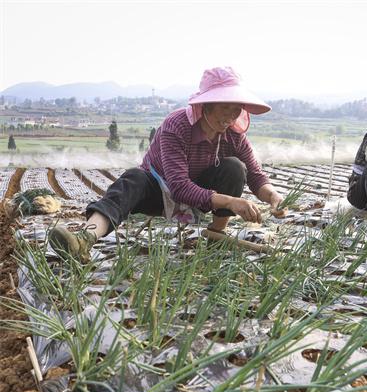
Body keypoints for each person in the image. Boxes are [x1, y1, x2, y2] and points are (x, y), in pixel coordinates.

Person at [50, 67, 283, 262]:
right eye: (225, 107)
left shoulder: (233, 136)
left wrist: (273, 196)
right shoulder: (178, 126)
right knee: (133, 179)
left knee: (234, 167)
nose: (231, 116)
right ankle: (84, 239)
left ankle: (216, 234)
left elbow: (255, 175)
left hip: (203, 191)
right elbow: (179, 187)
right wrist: (231, 202)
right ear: (207, 105)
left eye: (236, 109)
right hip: (159, 190)